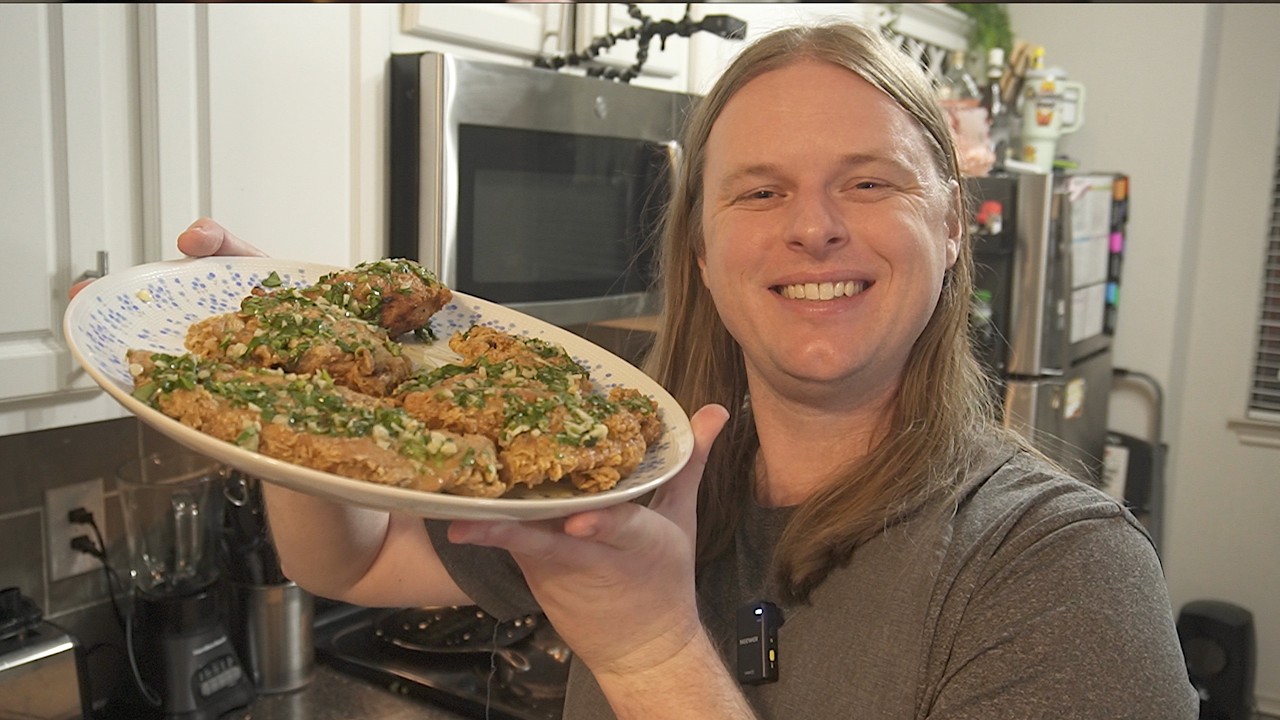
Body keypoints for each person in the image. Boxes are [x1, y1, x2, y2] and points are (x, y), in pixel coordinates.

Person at [134, 20, 1198, 719]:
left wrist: (647, 650)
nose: (813, 230)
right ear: (700, 246)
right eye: (759, 192)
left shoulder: (1061, 576)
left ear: (953, 228)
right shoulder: (618, 462)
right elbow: (355, 567)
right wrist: (274, 402)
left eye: (867, 183)